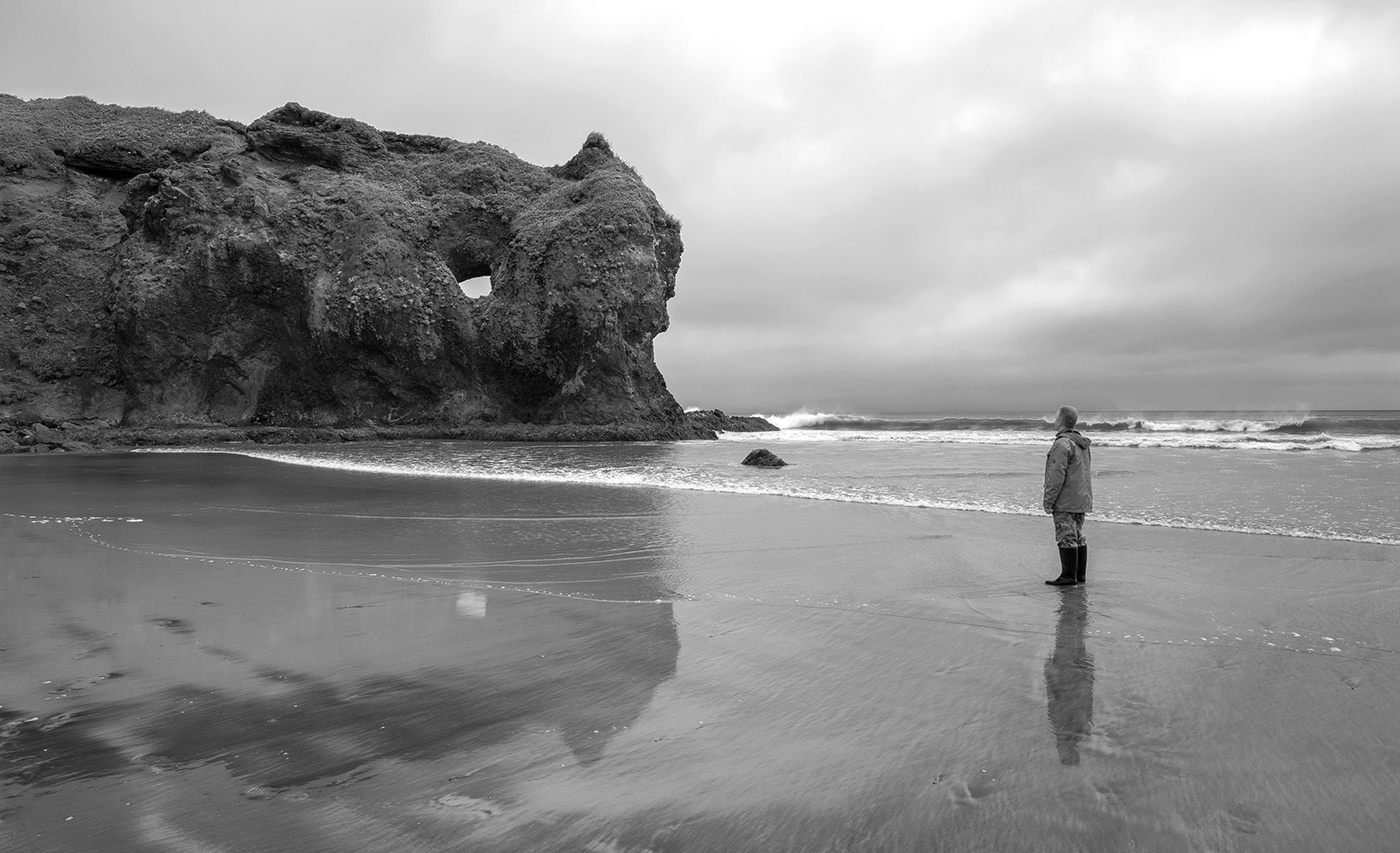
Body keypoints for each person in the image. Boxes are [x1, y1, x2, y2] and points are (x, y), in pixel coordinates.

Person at [1043, 405, 1092, 585]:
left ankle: (1068, 575)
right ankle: (1080, 575)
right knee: (1078, 534)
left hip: (1066, 499)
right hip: (1081, 497)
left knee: (1066, 535)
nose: (1054, 420)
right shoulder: (1081, 443)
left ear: (1060, 421)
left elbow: (1056, 476)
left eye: (1056, 418)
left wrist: (1048, 501)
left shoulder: (1062, 443)